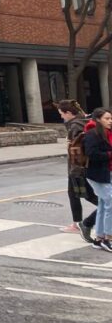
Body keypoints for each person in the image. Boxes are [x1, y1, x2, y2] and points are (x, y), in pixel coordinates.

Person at [59, 99, 97, 241]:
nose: (61, 117)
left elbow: (76, 149)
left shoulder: (75, 126)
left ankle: (78, 223)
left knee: (85, 195)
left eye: (62, 114)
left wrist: (75, 169)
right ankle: (77, 223)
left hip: (77, 167)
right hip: (83, 166)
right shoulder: (84, 122)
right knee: (78, 194)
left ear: (69, 113)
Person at [82, 107, 112, 252]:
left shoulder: (106, 133)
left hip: (106, 173)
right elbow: (92, 154)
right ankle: (107, 238)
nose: (110, 121)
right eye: (107, 118)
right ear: (98, 119)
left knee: (103, 204)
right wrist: (109, 154)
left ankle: (99, 238)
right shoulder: (92, 134)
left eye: (111, 118)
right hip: (97, 174)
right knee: (110, 204)